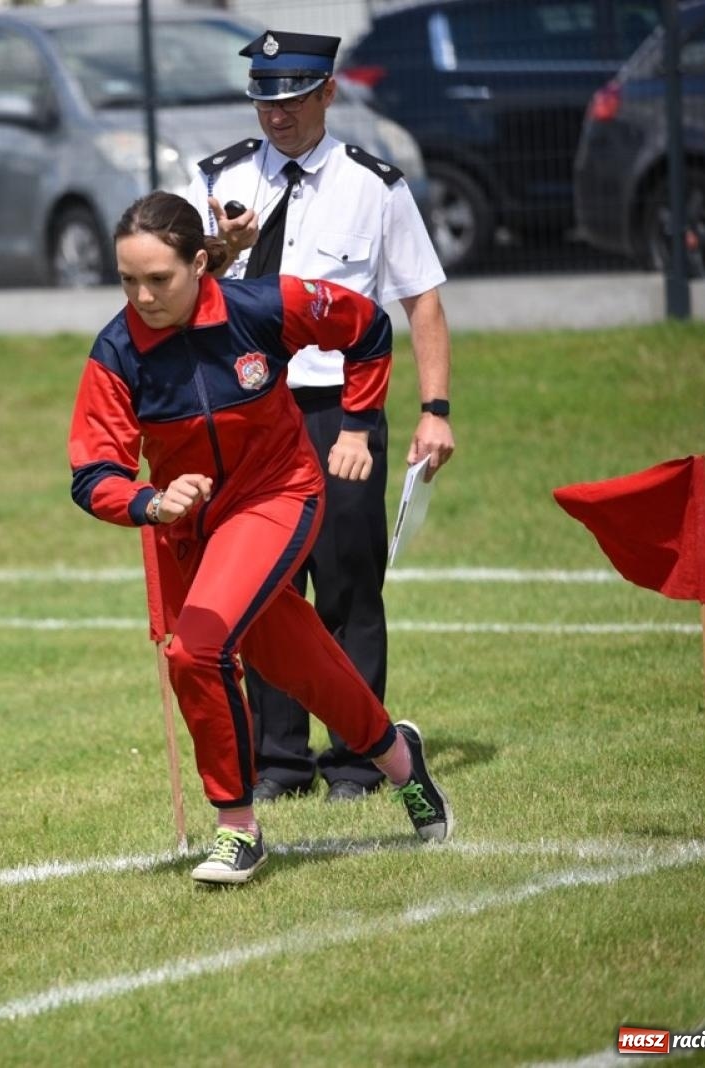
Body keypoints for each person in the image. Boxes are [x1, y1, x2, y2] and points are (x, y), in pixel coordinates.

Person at [68, 191, 451, 884]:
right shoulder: (116, 352)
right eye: (127, 281)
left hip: (279, 495)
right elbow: (92, 473)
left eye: (158, 279)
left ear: (198, 265)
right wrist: (150, 501)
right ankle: (401, 760)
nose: (143, 297)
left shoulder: (262, 307)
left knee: (197, 652)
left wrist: (358, 425)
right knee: (301, 661)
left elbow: (367, 327)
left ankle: (238, 828)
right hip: (192, 534)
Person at [185, 30, 455, 805]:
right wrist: (223, 249)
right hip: (247, 412)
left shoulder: (374, 186)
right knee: (262, 589)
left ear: (329, 93)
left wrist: (434, 411)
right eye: (264, 102)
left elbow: (421, 301)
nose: (278, 116)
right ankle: (279, 761)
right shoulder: (217, 179)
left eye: (295, 100)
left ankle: (357, 759)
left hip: (341, 409)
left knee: (347, 585)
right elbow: (178, 288)